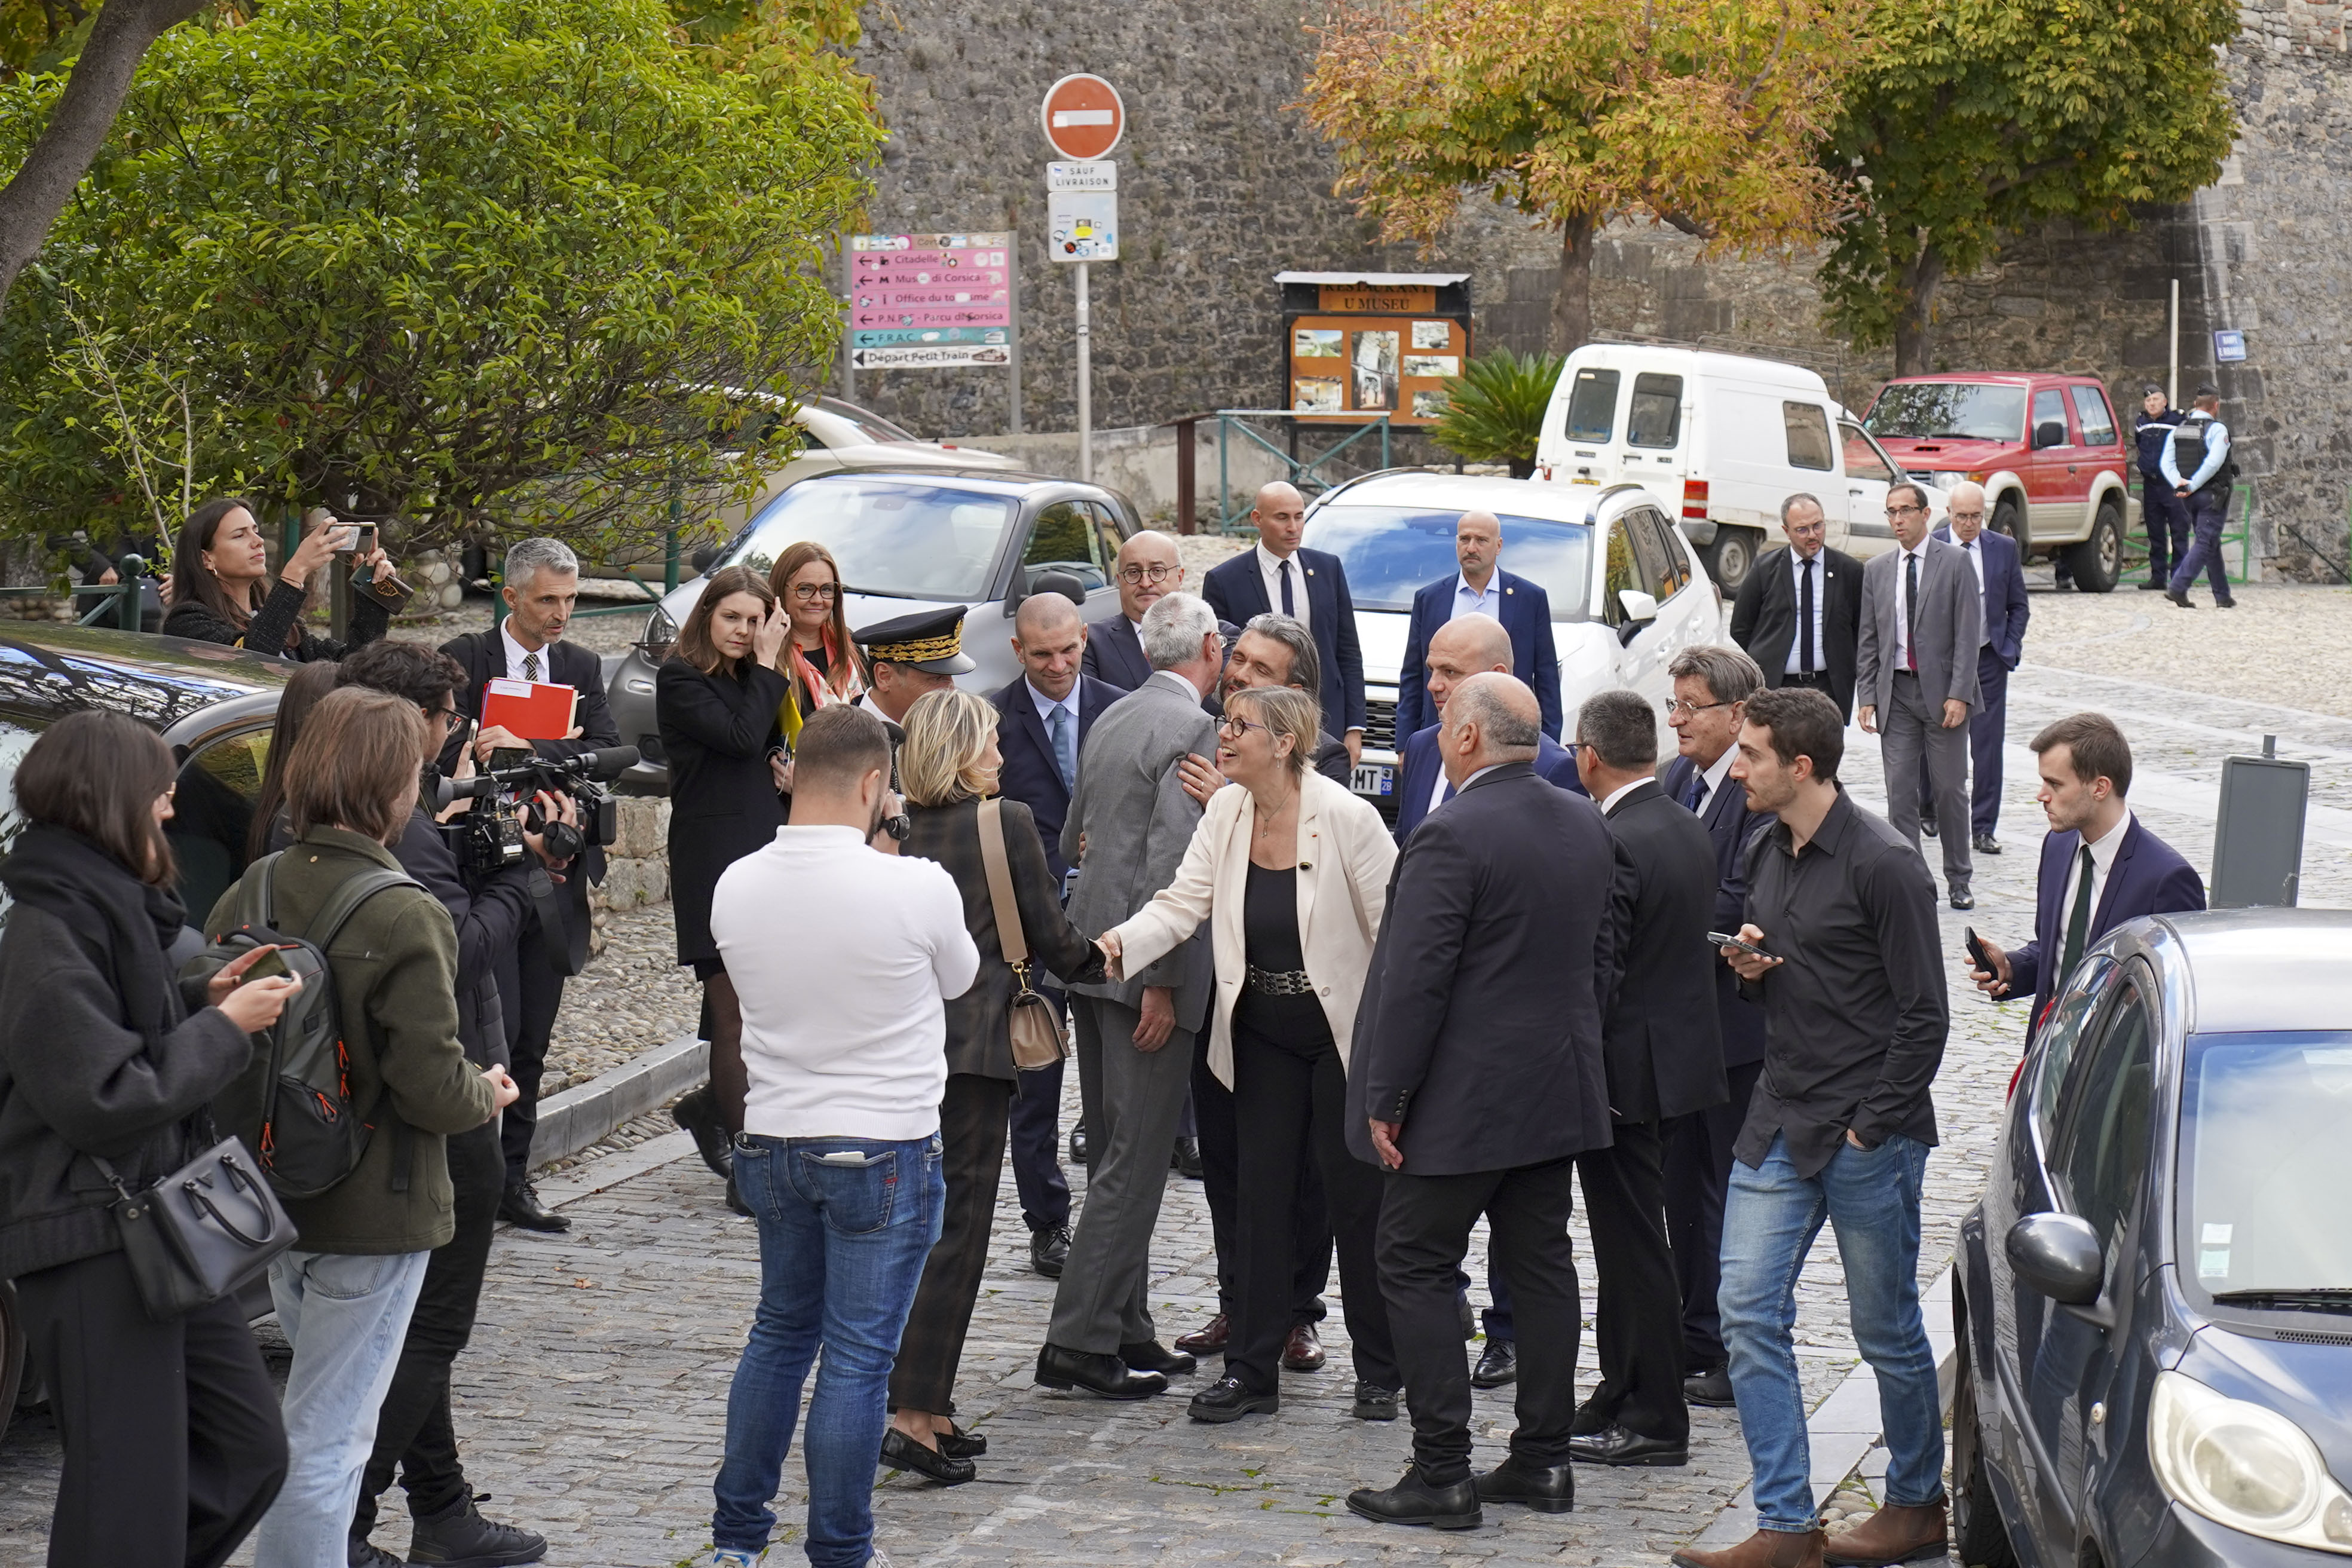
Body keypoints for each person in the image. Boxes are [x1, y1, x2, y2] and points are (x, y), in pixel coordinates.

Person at [207, 686, 514, 1568]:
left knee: (314, 1418)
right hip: (376, 1206)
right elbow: (430, 1085)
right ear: (394, 788)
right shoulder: (403, 908)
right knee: (329, 1438)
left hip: (272, 1191)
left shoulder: (256, 883)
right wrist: (486, 1094)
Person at [0, 711, 299, 1568]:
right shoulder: (47, 932)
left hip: (155, 1227)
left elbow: (116, 1036)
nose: (170, 811)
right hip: (91, 1239)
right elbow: (103, 1096)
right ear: (108, 801)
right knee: (126, 1490)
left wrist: (203, 1002)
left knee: (246, 1451)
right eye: (159, 796)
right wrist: (225, 1031)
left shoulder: (108, 908)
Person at [1673, 688, 1946, 1568]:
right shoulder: (1764, 846)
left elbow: (1925, 1017)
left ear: (1801, 765)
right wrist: (1751, 969)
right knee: (1747, 1311)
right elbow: (1789, 979)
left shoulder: (1888, 866)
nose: (1737, 769)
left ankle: (1918, 1503)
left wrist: (1872, 1126)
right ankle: (1788, 1524)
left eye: (1751, 754)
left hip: (1867, 1134)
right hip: (1780, 1118)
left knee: (1886, 1331)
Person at [703, 704, 975, 1568]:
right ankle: (841, 1550)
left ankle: (738, 1540)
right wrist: (890, 851)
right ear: (874, 784)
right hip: (883, 1143)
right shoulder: (917, 884)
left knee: (778, 1335)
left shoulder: (736, 882)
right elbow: (961, 978)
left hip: (775, 1138)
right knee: (857, 1360)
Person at [1346, 673, 1616, 1530]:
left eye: (1444, 720)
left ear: (1466, 738)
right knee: (1541, 1264)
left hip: (1463, 1098)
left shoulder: (1451, 831)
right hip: (1555, 1086)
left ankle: (1442, 1471)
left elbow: (1414, 979)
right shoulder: (1583, 818)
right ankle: (1543, 1459)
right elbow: (1603, 957)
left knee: (1412, 1258)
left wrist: (1388, 1093)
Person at [1100, 683, 1404, 1424]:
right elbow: (1181, 903)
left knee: (1355, 1200)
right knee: (1260, 1199)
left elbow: (1398, 934)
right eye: (1225, 721)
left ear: (1285, 742)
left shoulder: (1348, 817)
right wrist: (1115, 946)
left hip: (1342, 1033)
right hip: (1262, 1028)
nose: (1224, 735)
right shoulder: (1228, 810)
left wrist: (1401, 1055)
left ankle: (1381, 1368)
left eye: (1240, 725)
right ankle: (1251, 1369)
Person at [332, 641, 562, 1568]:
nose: (454, 731)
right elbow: (460, 950)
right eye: (445, 716)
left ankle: (442, 1508)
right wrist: (519, 875)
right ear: (412, 723)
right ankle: (347, 1519)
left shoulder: (395, 819)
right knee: (432, 1326)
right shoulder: (407, 834)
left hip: (433, 1081)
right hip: (446, 1090)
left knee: (419, 1324)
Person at [885, 690, 1106, 1484]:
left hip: (899, 1047)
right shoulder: (1004, 820)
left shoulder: (893, 827)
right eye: (989, 742)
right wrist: (1113, 954)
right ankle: (913, 1415)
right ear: (958, 751)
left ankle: (931, 1404)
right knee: (958, 1234)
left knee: (908, 1228)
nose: (1002, 755)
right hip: (973, 1052)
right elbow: (1053, 937)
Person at [1034, 591, 1223, 1401]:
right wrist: (1165, 983)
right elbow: (1174, 865)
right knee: (1134, 1164)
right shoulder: (1193, 727)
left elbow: (1074, 834)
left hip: (1092, 955)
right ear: (1210, 649)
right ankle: (1078, 1340)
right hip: (1145, 969)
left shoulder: (1111, 712)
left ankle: (1125, 1324)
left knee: (1118, 1152)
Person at [1166, 611, 1346, 1368]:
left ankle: (1297, 1310)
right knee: (1227, 1154)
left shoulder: (1324, 770)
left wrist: (1235, 798)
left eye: (1260, 669)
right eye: (1237, 659)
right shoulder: (1204, 736)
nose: (1238, 674)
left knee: (1302, 1168)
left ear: (1296, 696)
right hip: (1224, 990)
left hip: (1304, 1007)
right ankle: (1238, 1303)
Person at [436, 537, 622, 1231]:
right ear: (510, 596)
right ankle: (472, 1181)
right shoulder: (465, 657)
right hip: (481, 871)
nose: (561, 613)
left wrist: (527, 746)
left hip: (554, 868)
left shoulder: (580, 665)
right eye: (548, 599)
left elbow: (607, 752)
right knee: (493, 1032)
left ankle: (513, 1178)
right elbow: (443, 749)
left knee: (533, 1038)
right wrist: (488, 744)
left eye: (570, 599)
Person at [1565, 690, 1726, 1469]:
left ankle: (1658, 1414)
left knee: (1633, 1247)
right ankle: (1623, 1384)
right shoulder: (1683, 822)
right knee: (1634, 1239)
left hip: (1626, 1071)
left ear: (1589, 757)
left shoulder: (1614, 838)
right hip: (1676, 1062)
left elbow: (1605, 967)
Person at [990, 592, 1124, 1279]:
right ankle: (1047, 1222)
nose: (1058, 664)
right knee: (1036, 1083)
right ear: (1018, 650)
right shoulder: (992, 719)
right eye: (1042, 654)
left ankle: (1113, 1221)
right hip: (1029, 930)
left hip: (1111, 924)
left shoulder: (1121, 709)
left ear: (1085, 639)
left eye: (1069, 649)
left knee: (1116, 1082)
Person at [1658, 645, 1774, 1409]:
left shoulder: (1752, 791)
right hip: (1679, 1028)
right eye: (1673, 704)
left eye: (1690, 706)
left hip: (1734, 1030)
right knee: (1681, 1190)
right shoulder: (1676, 779)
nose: (1677, 720)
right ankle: (1694, 1331)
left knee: (1730, 1194)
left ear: (1736, 714)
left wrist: (1656, 915)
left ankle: (1736, 1346)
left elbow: (1736, 901)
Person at [657, 566, 791, 1212]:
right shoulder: (681, 677)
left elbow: (759, 746)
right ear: (707, 614)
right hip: (713, 860)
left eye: (755, 620)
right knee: (733, 1012)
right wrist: (767, 665)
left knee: (766, 1010)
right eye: (732, 617)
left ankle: (719, 1111)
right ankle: (749, 1169)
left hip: (768, 853)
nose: (744, 630)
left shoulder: (753, 678)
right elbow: (738, 738)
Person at [1967, 713, 2206, 1042]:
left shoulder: (2167, 878)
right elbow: (2057, 951)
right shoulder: (2058, 846)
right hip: (2047, 1052)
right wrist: (2011, 967)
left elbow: (2176, 1001)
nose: (2041, 795)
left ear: (2100, 788)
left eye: (2055, 784)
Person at [1856, 480, 1982, 910]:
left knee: (1949, 791)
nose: (1897, 520)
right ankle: (1913, 879)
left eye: (1905, 511)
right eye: (1891, 512)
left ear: (1926, 514)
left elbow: (1968, 634)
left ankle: (1959, 877)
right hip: (1896, 692)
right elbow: (1869, 638)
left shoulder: (1955, 562)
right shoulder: (1877, 570)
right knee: (1900, 793)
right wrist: (1867, 695)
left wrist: (1960, 693)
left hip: (1943, 695)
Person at [1202, 482, 1367, 764]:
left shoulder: (1328, 569)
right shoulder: (1226, 580)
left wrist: (1354, 728)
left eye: (1299, 517)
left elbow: (1348, 651)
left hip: (1327, 721)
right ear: (1257, 519)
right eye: (1282, 518)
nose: (1293, 527)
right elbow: (1220, 660)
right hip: (1260, 727)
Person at [1393, 614, 1582, 846]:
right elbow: (1404, 849)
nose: (1433, 685)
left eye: (1450, 672)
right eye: (1431, 670)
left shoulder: (1552, 768)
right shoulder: (1420, 746)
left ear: (1498, 675)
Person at [1919, 482, 2029, 856]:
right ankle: (1929, 805)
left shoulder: (2003, 548)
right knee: (1934, 737)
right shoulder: (1930, 545)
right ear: (1948, 513)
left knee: (1988, 746)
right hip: (1942, 662)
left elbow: (2018, 605)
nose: (1969, 524)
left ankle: (1983, 827)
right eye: (1962, 516)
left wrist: (2009, 648)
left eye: (1976, 517)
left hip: (1987, 658)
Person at [1394, 509, 1563, 739]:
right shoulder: (1430, 599)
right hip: (1441, 733)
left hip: (1507, 735)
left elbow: (1546, 678)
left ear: (1499, 546)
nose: (1471, 548)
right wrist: (1405, 744)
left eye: (1481, 540)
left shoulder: (1529, 599)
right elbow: (1413, 676)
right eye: (1465, 539)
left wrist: (1548, 743)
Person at [164, 498, 392, 661]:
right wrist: (296, 570)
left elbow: (355, 666)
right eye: (240, 535)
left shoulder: (285, 625)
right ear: (207, 559)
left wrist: (372, 591)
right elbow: (252, 660)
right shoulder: (187, 621)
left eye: (255, 531)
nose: (258, 541)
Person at [1728, 495, 1864, 721]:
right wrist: (1768, 660)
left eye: (1818, 526)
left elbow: (1861, 629)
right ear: (1786, 531)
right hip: (1777, 689)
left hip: (1829, 689)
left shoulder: (1849, 571)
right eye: (1802, 530)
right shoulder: (1765, 569)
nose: (1812, 535)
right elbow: (1740, 628)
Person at [770, 540, 869, 747]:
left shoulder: (850, 647)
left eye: (826, 589)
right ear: (780, 591)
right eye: (805, 589)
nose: (818, 600)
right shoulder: (767, 654)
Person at [2162, 384, 2237, 610]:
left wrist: (2180, 483)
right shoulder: (2218, 430)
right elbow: (2213, 463)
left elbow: (2166, 462)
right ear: (2216, 406)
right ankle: (2178, 587)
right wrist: (2193, 485)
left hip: (2188, 497)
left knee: (2210, 541)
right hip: (2212, 495)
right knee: (2205, 542)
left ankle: (2223, 595)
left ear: (2195, 405)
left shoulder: (2178, 430)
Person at [1083, 529, 1187, 691]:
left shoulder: (1212, 636)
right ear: (1120, 581)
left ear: (1179, 578)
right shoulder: (1092, 643)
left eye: (1157, 571)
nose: (1145, 583)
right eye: (1133, 573)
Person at [855, 605, 972, 725]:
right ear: (884, 677)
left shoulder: (950, 725)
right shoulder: (849, 733)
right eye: (937, 678)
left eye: (950, 677)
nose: (951, 689)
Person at [2132, 383, 2187, 591]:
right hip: (2151, 484)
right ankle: (2158, 577)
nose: (2151, 404)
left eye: (2155, 400)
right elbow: (2139, 445)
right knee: (2155, 533)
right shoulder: (2141, 423)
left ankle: (2179, 577)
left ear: (2165, 402)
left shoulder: (2178, 421)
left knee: (2179, 531)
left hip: (2172, 484)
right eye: (2148, 400)